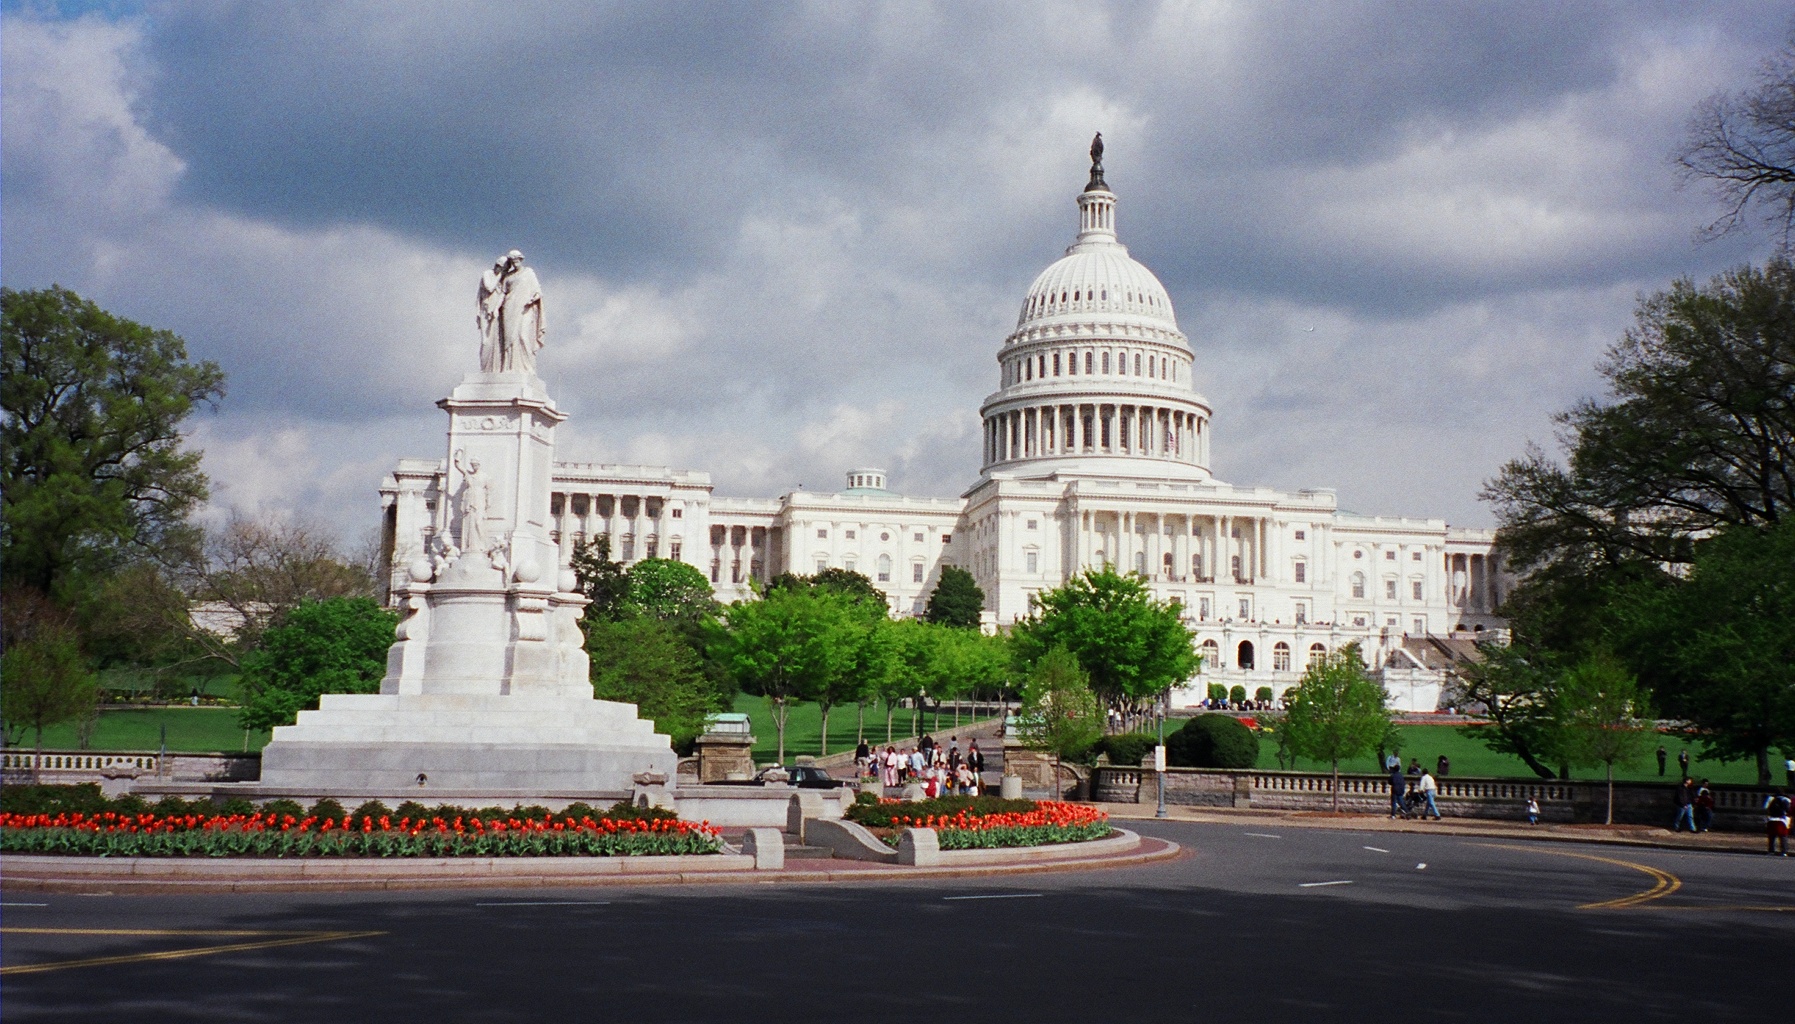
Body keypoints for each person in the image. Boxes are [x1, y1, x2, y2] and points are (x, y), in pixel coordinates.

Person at [1765, 790, 1792, 856]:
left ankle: (1771, 851)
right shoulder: (1786, 799)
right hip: (1782, 820)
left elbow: (1765, 807)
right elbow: (1788, 809)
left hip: (1771, 819)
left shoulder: (1770, 798)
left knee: (1771, 837)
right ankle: (1784, 851)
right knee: (1783, 837)